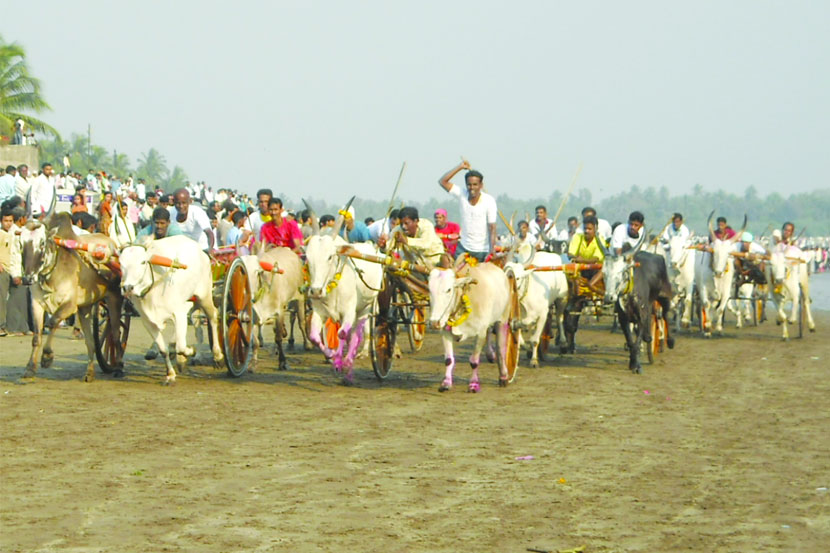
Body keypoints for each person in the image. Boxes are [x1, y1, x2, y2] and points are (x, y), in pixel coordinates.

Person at [437, 160, 497, 261]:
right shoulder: (462, 194)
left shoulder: (489, 200)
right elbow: (442, 182)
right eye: (469, 185)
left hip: (482, 250)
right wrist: (459, 167)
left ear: (481, 185)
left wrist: (492, 250)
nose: (472, 188)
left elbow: (492, 227)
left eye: (475, 184)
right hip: (464, 248)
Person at [1, 206, 23, 336]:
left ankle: (15, 327)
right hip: (2, 269)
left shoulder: (15, 234)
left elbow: (16, 255)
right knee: (1, 299)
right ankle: (1, 326)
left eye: (10, 221)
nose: (8, 223)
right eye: (5, 221)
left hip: (13, 269)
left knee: (16, 299)